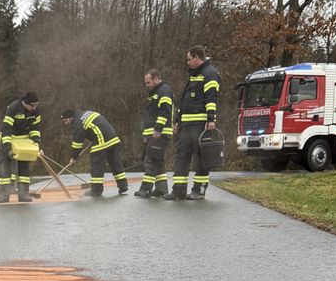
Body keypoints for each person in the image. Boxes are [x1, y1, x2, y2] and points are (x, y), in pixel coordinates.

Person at [166, 45, 220, 201]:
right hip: (186, 126)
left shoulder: (210, 74)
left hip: (200, 124)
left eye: (189, 59)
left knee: (201, 159)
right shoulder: (193, 74)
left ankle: (199, 190)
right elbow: (185, 100)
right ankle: (178, 191)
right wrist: (178, 120)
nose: (188, 62)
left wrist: (211, 119)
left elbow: (211, 98)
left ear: (197, 57)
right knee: (181, 157)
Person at [60, 109, 129, 197]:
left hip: (102, 140)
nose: (65, 123)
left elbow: (77, 143)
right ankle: (123, 186)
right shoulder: (86, 114)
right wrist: (93, 136)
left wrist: (74, 157)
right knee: (115, 163)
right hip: (113, 137)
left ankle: (96, 191)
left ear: (71, 118)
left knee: (97, 165)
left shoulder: (78, 123)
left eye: (66, 121)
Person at [0, 92, 42, 203]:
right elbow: (6, 129)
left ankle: (23, 194)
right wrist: (8, 149)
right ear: (25, 103)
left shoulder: (36, 110)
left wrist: (36, 145)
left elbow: (35, 129)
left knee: (24, 168)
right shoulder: (13, 108)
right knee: (5, 168)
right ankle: (4, 195)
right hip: (10, 138)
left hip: (24, 141)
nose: (34, 108)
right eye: (32, 105)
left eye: (36, 105)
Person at [135, 68, 174, 199]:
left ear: (156, 78)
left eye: (148, 82)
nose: (147, 85)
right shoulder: (155, 93)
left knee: (150, 160)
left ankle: (145, 189)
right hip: (153, 133)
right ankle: (161, 189)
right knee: (158, 161)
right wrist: (146, 134)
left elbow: (165, 111)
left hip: (160, 133)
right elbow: (150, 116)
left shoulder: (164, 91)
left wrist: (158, 129)